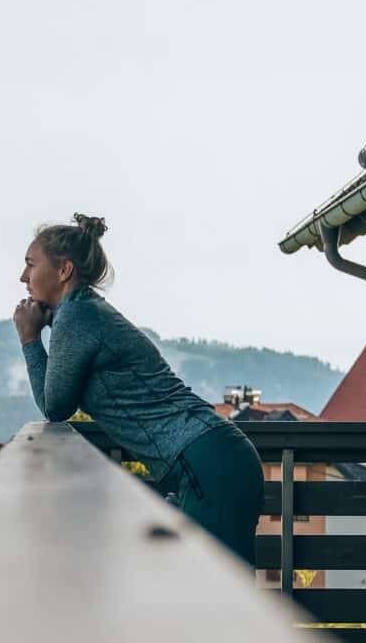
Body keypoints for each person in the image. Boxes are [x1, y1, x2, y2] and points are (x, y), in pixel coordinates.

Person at [14, 213, 265, 565]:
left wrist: (28, 338)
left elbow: (55, 407)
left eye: (30, 264)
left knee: (214, 597)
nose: (23, 277)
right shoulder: (82, 312)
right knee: (211, 593)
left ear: (63, 271)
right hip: (214, 458)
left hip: (206, 463)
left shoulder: (77, 317)